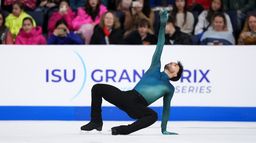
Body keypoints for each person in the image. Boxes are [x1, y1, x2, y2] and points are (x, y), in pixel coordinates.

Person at [80, 9, 184, 135]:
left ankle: (122, 130)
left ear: (175, 74)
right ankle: (96, 122)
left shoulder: (169, 88)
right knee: (97, 88)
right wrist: (162, 25)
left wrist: (164, 129)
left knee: (153, 116)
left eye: (175, 65)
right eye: (173, 62)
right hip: (127, 97)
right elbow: (160, 44)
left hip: (138, 107)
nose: (172, 63)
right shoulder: (155, 67)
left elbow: (166, 109)